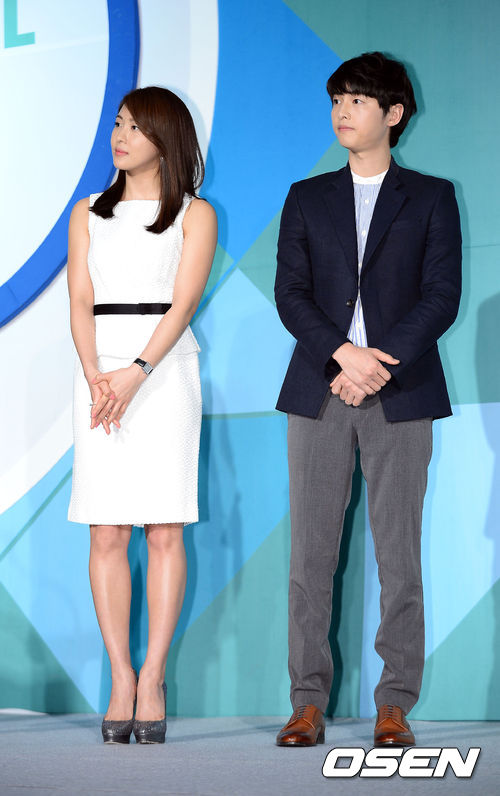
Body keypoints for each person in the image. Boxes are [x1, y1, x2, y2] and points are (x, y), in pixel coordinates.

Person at [274, 52, 461, 747]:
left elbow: (441, 295)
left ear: (394, 113)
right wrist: (341, 355)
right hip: (318, 390)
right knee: (309, 558)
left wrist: (374, 363)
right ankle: (306, 703)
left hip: (399, 392)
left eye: (357, 99)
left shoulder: (432, 197)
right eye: (337, 100)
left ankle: (394, 705)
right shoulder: (306, 196)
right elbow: (290, 293)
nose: (343, 111)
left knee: (398, 556)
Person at [67, 86, 217, 744]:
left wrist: (137, 372)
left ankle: (153, 676)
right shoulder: (87, 213)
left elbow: (183, 304)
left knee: (163, 529)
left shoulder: (195, 214)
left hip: (164, 373)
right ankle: (120, 676)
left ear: (166, 138)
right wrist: (95, 374)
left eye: (135, 127)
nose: (120, 136)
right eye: (118, 124)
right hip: (99, 376)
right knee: (105, 531)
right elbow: (79, 299)